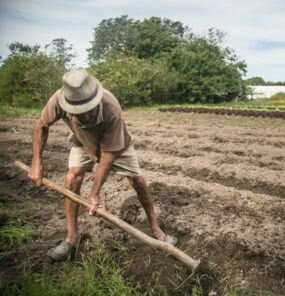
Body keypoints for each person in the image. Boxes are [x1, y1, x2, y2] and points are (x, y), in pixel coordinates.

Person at [28, 69, 177, 262]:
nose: (85, 114)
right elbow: (42, 125)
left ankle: (156, 230)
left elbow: (107, 157)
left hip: (116, 147)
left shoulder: (111, 107)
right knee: (72, 178)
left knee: (137, 181)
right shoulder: (58, 100)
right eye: (78, 112)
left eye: (88, 108)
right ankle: (71, 240)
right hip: (82, 143)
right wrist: (36, 162)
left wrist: (94, 193)